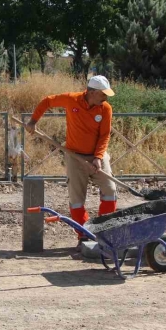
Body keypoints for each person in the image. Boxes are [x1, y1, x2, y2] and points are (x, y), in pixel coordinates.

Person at [26, 75, 117, 245]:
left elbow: (104, 136)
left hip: (98, 155)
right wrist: (33, 121)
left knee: (110, 189)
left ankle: (104, 231)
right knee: (76, 199)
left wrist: (98, 157)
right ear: (92, 92)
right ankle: (84, 234)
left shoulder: (105, 109)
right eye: (103, 94)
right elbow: (46, 101)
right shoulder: (71, 100)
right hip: (75, 156)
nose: (105, 97)